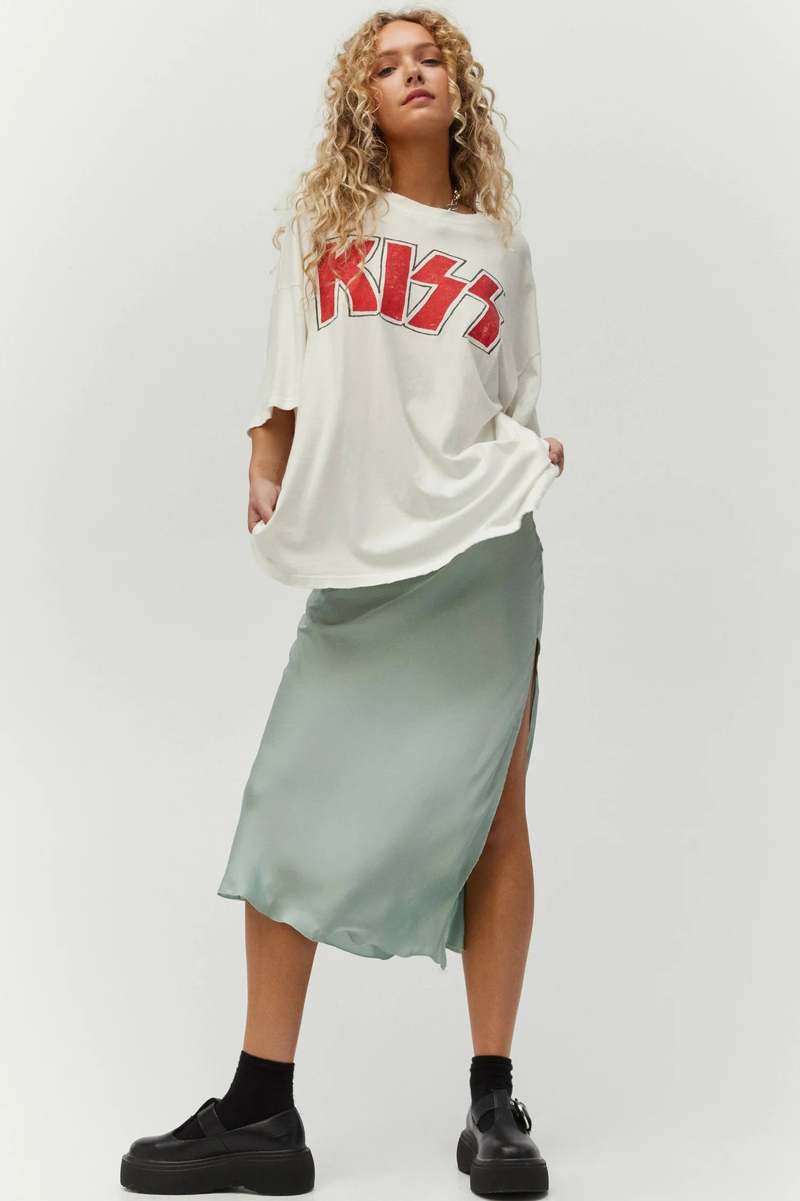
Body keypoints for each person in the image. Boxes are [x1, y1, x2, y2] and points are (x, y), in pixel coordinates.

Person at [120, 8, 565, 1196]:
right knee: (286, 807)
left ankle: (492, 1101)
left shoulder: (498, 248)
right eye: (385, 64)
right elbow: (283, 381)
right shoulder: (325, 229)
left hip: (479, 556)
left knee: (493, 817)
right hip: (363, 568)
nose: (410, 74)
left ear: (458, 90)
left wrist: (530, 451)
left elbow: (510, 398)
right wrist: (265, 455)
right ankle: (262, 1107)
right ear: (358, 100)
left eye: (429, 59)